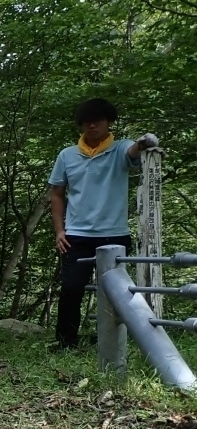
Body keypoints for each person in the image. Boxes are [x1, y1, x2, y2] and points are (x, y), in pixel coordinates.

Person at [48, 98, 159, 350]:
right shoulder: (67, 155)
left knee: (115, 292)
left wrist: (144, 142)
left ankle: (113, 342)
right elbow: (56, 193)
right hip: (76, 235)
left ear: (109, 122)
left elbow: (134, 151)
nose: (92, 125)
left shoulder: (120, 149)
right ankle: (66, 343)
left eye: (98, 120)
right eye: (87, 121)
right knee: (71, 289)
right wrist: (59, 230)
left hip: (114, 234)